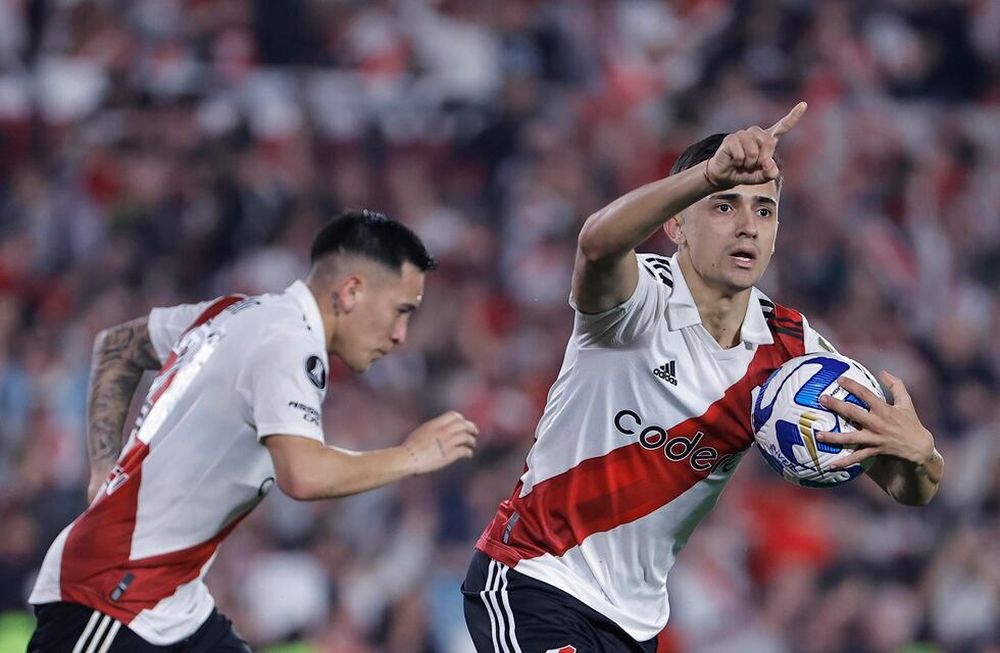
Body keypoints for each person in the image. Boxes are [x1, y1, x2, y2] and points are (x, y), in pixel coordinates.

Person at [462, 103, 943, 652]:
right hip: (532, 576)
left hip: (636, 623)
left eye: (764, 211)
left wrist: (920, 453)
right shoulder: (637, 298)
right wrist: (707, 173)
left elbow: (910, 488)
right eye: (723, 206)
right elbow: (596, 242)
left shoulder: (793, 352)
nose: (747, 227)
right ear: (676, 224)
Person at [27, 210, 479, 652]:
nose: (401, 334)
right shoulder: (288, 342)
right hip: (112, 595)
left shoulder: (233, 313)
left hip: (173, 602)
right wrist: (414, 455)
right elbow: (304, 475)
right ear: (352, 291)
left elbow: (118, 347)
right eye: (399, 311)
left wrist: (103, 467)